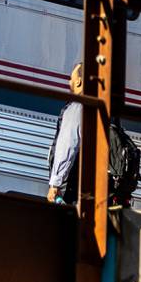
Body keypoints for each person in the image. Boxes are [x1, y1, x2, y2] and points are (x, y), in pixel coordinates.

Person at [46, 63, 84, 203]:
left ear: (79, 81)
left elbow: (68, 144)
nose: (69, 82)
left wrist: (55, 184)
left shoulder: (76, 107)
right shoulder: (97, 107)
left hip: (74, 186)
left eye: (71, 78)